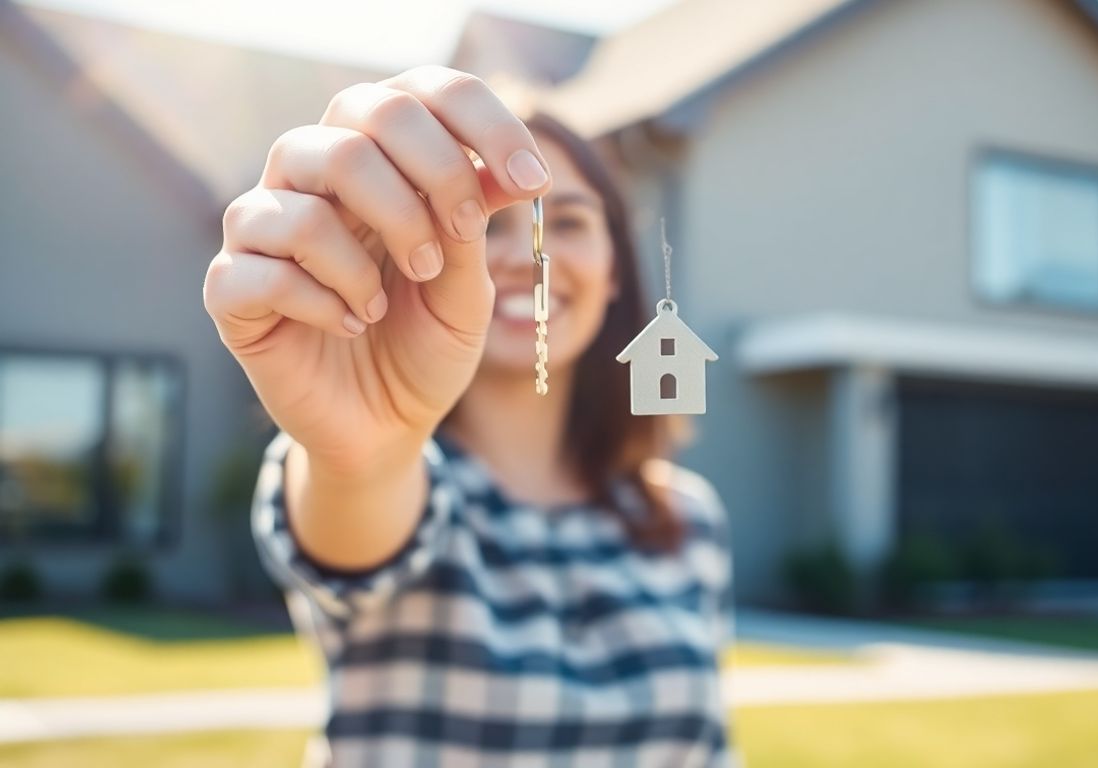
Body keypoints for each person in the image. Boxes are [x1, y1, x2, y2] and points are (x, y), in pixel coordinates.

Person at [202, 65, 735, 766]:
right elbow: (360, 498)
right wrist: (361, 455)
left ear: (613, 274)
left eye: (563, 220)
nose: (524, 256)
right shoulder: (404, 479)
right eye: (482, 224)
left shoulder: (687, 520)